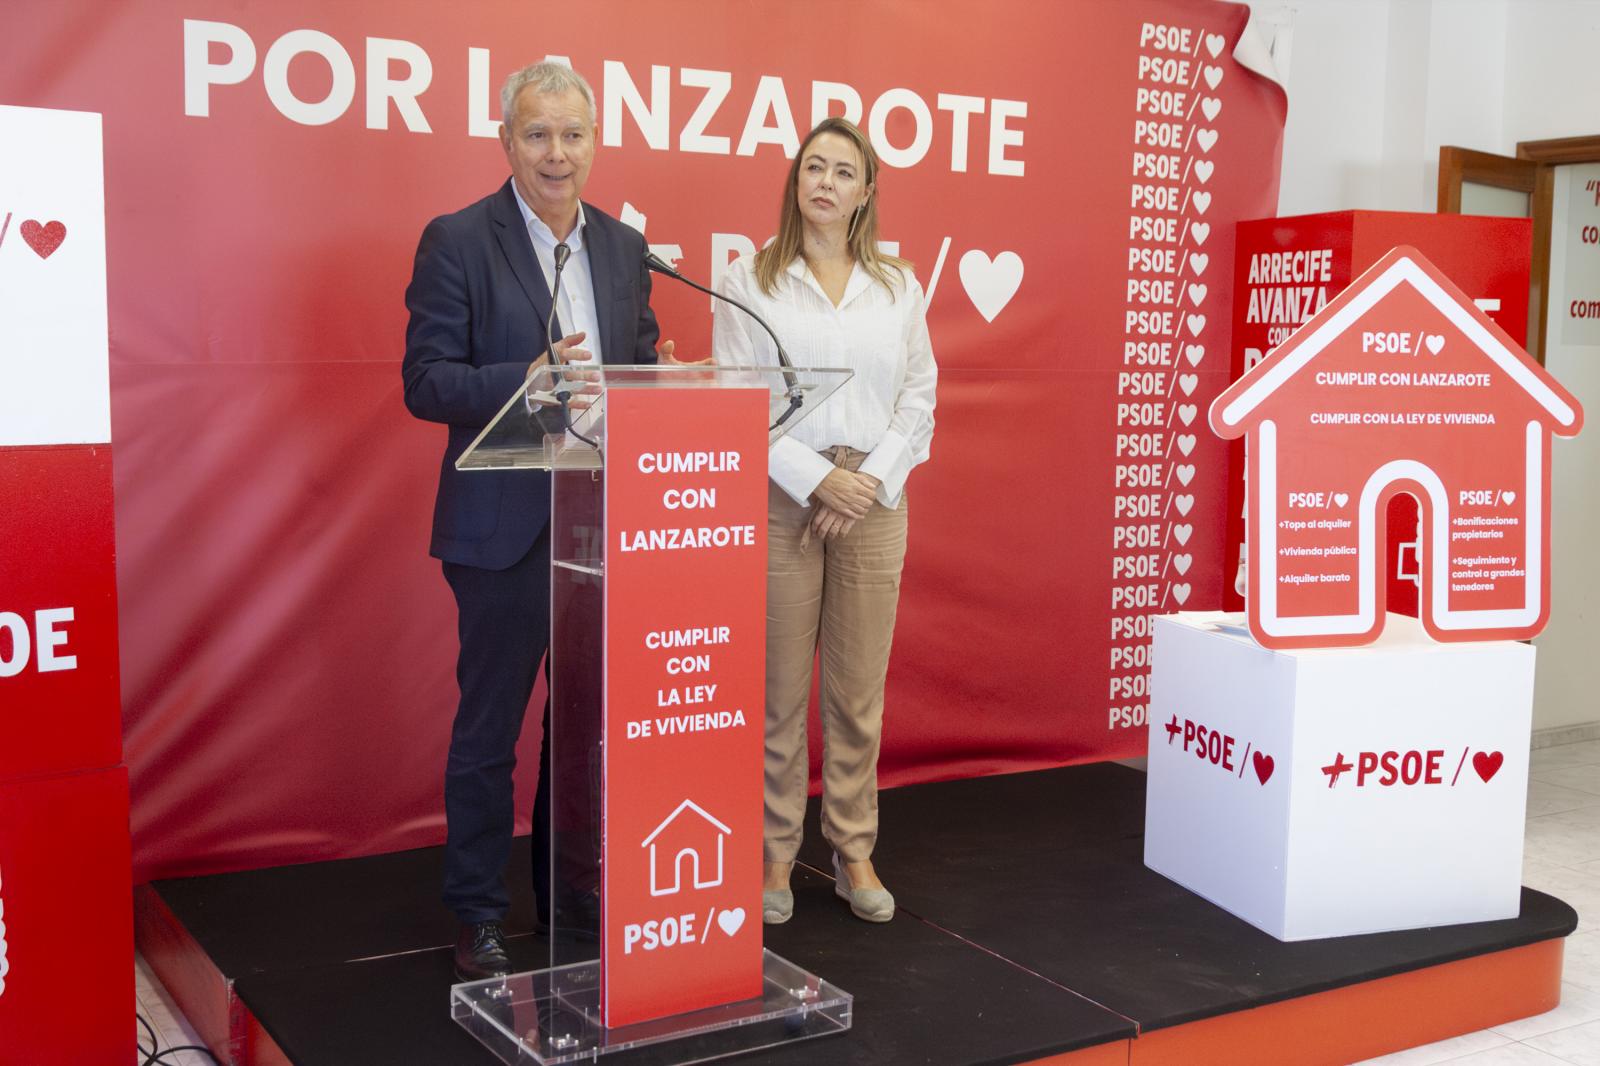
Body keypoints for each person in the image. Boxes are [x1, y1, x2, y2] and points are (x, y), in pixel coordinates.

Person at [402, 61, 679, 980]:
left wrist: (657, 376)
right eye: (537, 134)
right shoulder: (456, 240)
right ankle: (478, 910)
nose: (556, 154)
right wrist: (522, 381)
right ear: (507, 142)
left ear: (594, 144)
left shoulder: (625, 248)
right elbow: (426, 381)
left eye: (573, 136)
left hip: (604, 521)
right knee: (491, 729)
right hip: (505, 526)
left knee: (587, 726)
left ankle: (571, 894)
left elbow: (633, 367)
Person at [710, 117, 937, 924]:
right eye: (815, 166)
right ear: (795, 182)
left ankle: (852, 849)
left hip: (874, 505)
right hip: (783, 503)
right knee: (777, 696)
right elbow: (741, 398)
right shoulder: (750, 279)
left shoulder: (898, 286)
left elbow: (919, 395)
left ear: (867, 190)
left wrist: (866, 481)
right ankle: (776, 854)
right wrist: (817, 482)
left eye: (845, 171)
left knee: (856, 694)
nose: (827, 182)